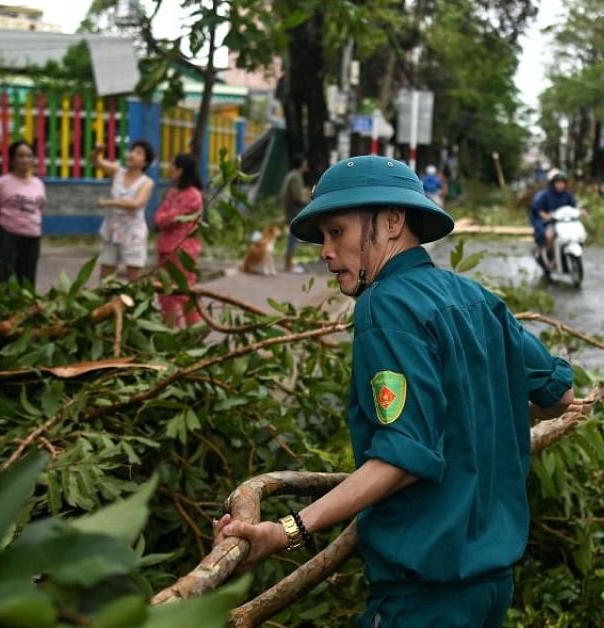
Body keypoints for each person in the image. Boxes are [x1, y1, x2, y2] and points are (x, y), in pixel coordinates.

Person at [214, 155, 577, 627]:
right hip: (491, 590)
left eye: (337, 232)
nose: (325, 250)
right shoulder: (478, 299)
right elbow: (560, 396)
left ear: (391, 222)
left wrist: (286, 530)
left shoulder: (384, 307)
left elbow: (402, 457)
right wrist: (476, 406)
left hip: (424, 598)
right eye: (323, 237)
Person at [154, 154, 205, 327]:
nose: (169, 170)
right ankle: (168, 333)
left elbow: (169, 219)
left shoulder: (194, 196)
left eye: (172, 167)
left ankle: (194, 331)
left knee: (184, 292)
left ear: (181, 170)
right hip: (165, 249)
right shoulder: (172, 193)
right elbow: (159, 218)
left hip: (184, 251)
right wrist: (167, 217)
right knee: (165, 293)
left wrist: (166, 217)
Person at [93, 141, 156, 282]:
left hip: (133, 234)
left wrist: (108, 202)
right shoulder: (117, 172)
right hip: (112, 230)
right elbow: (97, 163)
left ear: (145, 162)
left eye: (138, 153)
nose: (132, 154)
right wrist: (97, 152)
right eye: (132, 151)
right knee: (105, 276)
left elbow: (136, 204)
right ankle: (106, 303)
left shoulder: (147, 182)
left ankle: (133, 303)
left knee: (134, 277)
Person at [0, 140, 45, 288]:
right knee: (4, 278)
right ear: (12, 160)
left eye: (28, 156)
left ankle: (26, 309)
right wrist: (11, 226)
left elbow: (40, 207)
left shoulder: (38, 184)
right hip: (8, 237)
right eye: (20, 156)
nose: (25, 160)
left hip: (32, 238)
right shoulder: (2, 183)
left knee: (27, 279)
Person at [530, 171, 577, 271]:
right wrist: (546, 216)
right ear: (553, 184)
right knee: (550, 235)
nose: (560, 185)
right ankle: (551, 258)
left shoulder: (568, 195)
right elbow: (538, 209)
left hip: (564, 223)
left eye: (562, 183)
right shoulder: (544, 195)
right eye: (558, 183)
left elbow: (574, 207)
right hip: (549, 223)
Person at [281, 154, 310, 273]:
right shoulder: (296, 177)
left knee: (292, 238)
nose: (306, 166)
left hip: (289, 210)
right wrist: (310, 203)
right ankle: (289, 266)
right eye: (305, 163)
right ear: (301, 165)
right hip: (293, 211)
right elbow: (297, 197)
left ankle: (288, 264)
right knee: (293, 238)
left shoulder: (292, 175)